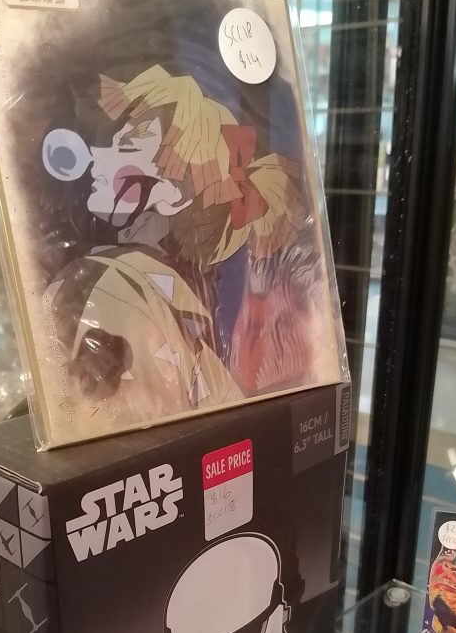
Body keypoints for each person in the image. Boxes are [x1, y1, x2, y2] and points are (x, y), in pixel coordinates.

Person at [45, 64, 312, 439]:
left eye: (127, 146)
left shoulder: (116, 288)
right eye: (109, 142)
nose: (97, 157)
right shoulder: (145, 291)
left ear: (174, 194)